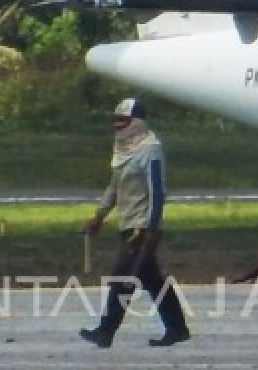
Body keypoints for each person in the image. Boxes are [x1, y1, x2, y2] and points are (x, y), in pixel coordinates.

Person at [79, 97, 190, 348]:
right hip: (127, 225)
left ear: (137, 122)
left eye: (124, 120)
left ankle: (106, 331)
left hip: (141, 228)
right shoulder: (122, 151)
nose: (118, 125)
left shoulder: (150, 149)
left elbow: (157, 192)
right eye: (116, 120)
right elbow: (114, 186)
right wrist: (98, 217)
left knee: (122, 279)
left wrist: (152, 229)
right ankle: (177, 328)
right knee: (152, 280)